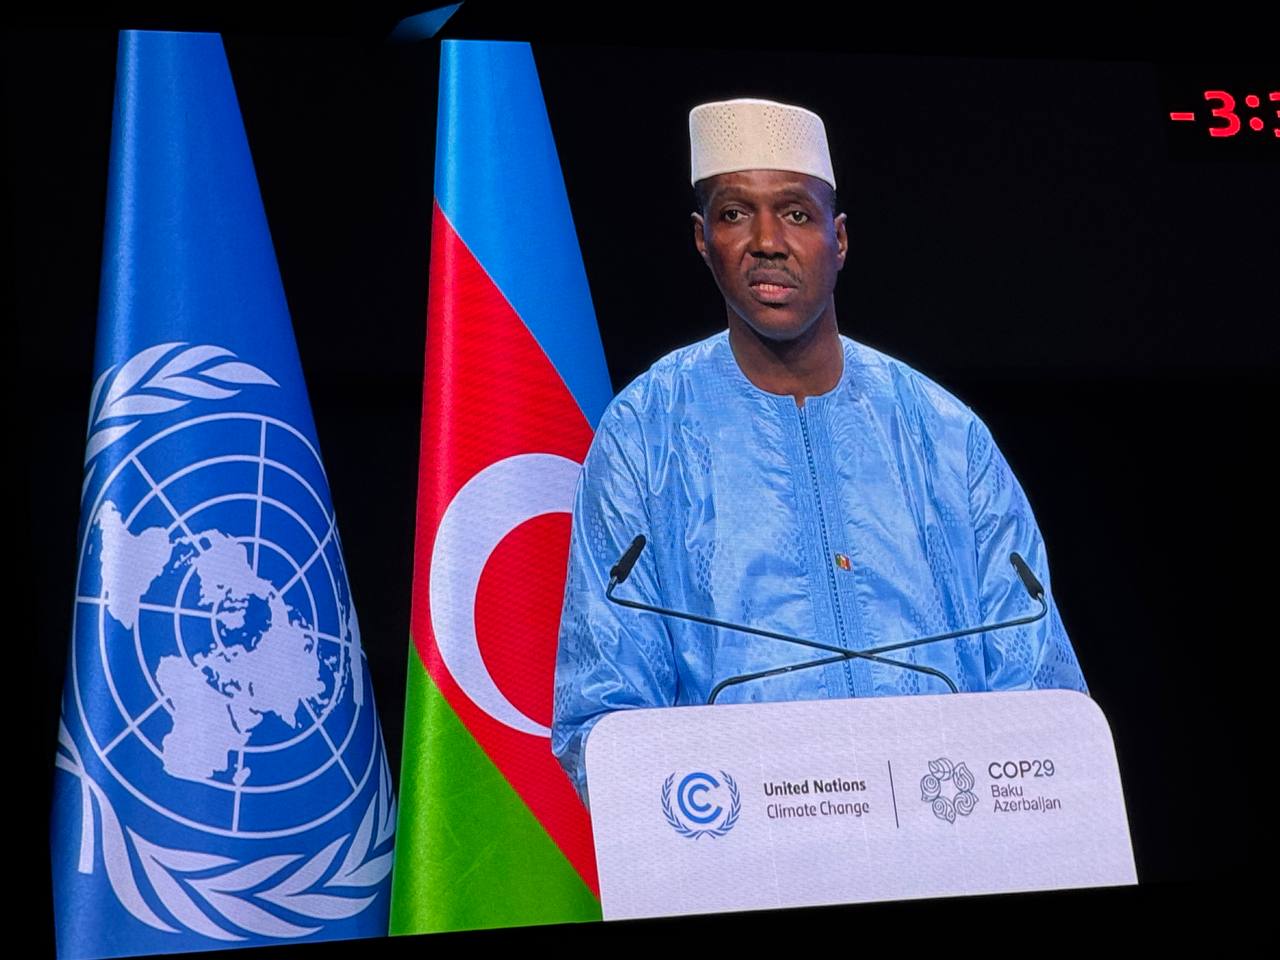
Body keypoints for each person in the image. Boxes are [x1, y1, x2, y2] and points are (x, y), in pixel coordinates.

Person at [551, 98, 1087, 805]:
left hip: (947, 828)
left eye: (796, 214)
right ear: (703, 240)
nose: (767, 241)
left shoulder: (945, 435)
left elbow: (1039, 688)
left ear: (839, 240)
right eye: (734, 213)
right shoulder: (644, 436)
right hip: (737, 840)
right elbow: (604, 715)